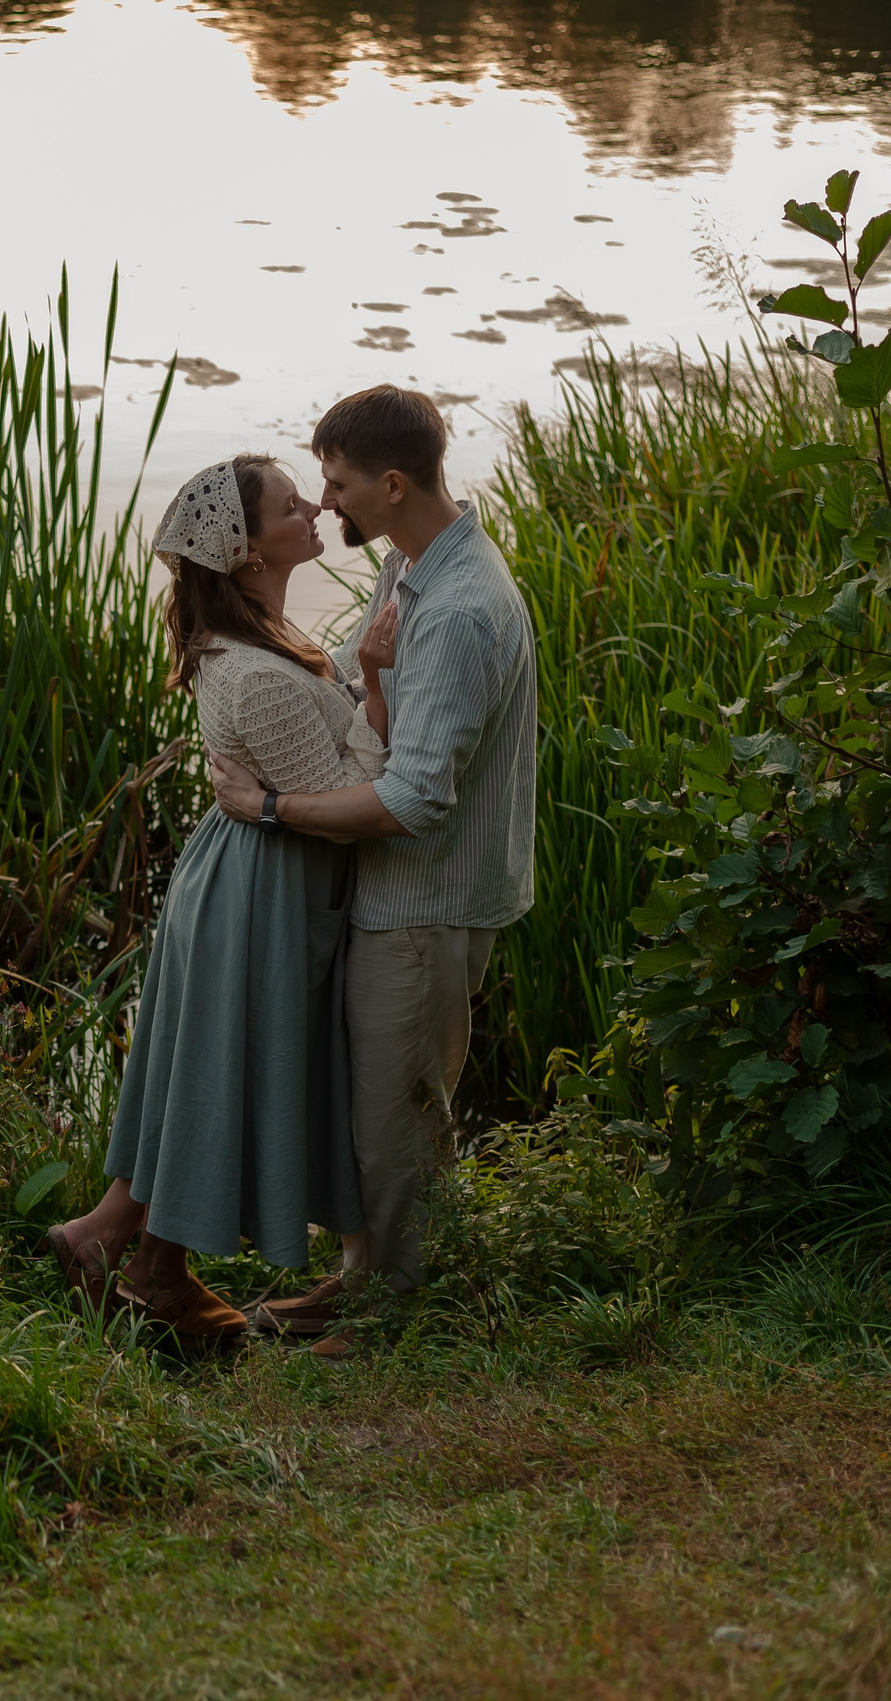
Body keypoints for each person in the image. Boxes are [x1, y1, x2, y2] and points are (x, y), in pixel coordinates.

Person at [46, 453, 401, 1348]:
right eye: (291, 505)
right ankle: (119, 1249)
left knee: (210, 1066)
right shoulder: (258, 676)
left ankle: (140, 1260)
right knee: (224, 1068)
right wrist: (382, 681)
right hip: (262, 890)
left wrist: (356, 681)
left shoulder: (260, 640)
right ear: (246, 551)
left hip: (248, 876)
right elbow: (350, 802)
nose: (314, 506)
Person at [209, 386, 538, 1347]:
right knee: (371, 1106)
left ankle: (400, 1311)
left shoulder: (463, 607)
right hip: (388, 896)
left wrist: (267, 807)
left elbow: (411, 799)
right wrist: (370, 681)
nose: (326, 502)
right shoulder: (411, 564)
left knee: (399, 1116)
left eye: (339, 483)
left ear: (392, 483)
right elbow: (371, 707)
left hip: (424, 900)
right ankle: (359, 1283)